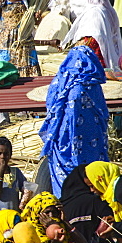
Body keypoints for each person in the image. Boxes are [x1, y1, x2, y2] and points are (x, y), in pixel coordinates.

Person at [40, 47, 109, 197]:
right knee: (92, 177)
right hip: (92, 143)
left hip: (64, 140)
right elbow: (103, 113)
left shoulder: (60, 81)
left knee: (66, 180)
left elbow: (52, 110)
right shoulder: (92, 84)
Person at [0, 136, 31, 221]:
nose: (2, 157)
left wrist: (26, 194)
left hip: (14, 217)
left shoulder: (16, 172)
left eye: (6, 154)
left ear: (10, 155)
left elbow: (26, 188)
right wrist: (1, 172)